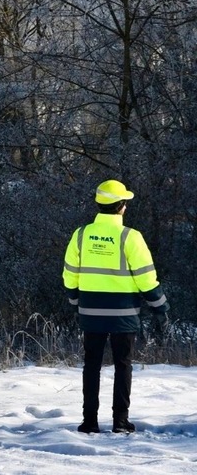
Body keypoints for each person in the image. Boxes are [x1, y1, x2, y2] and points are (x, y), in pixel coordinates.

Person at [63, 179, 168, 434]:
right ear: (121, 206)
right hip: (123, 313)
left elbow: (70, 274)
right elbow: (146, 278)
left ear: (99, 205)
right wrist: (160, 307)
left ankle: (89, 422)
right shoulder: (130, 237)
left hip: (90, 311)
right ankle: (120, 422)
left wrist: (75, 301)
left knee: (91, 365)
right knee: (123, 364)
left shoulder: (81, 234)